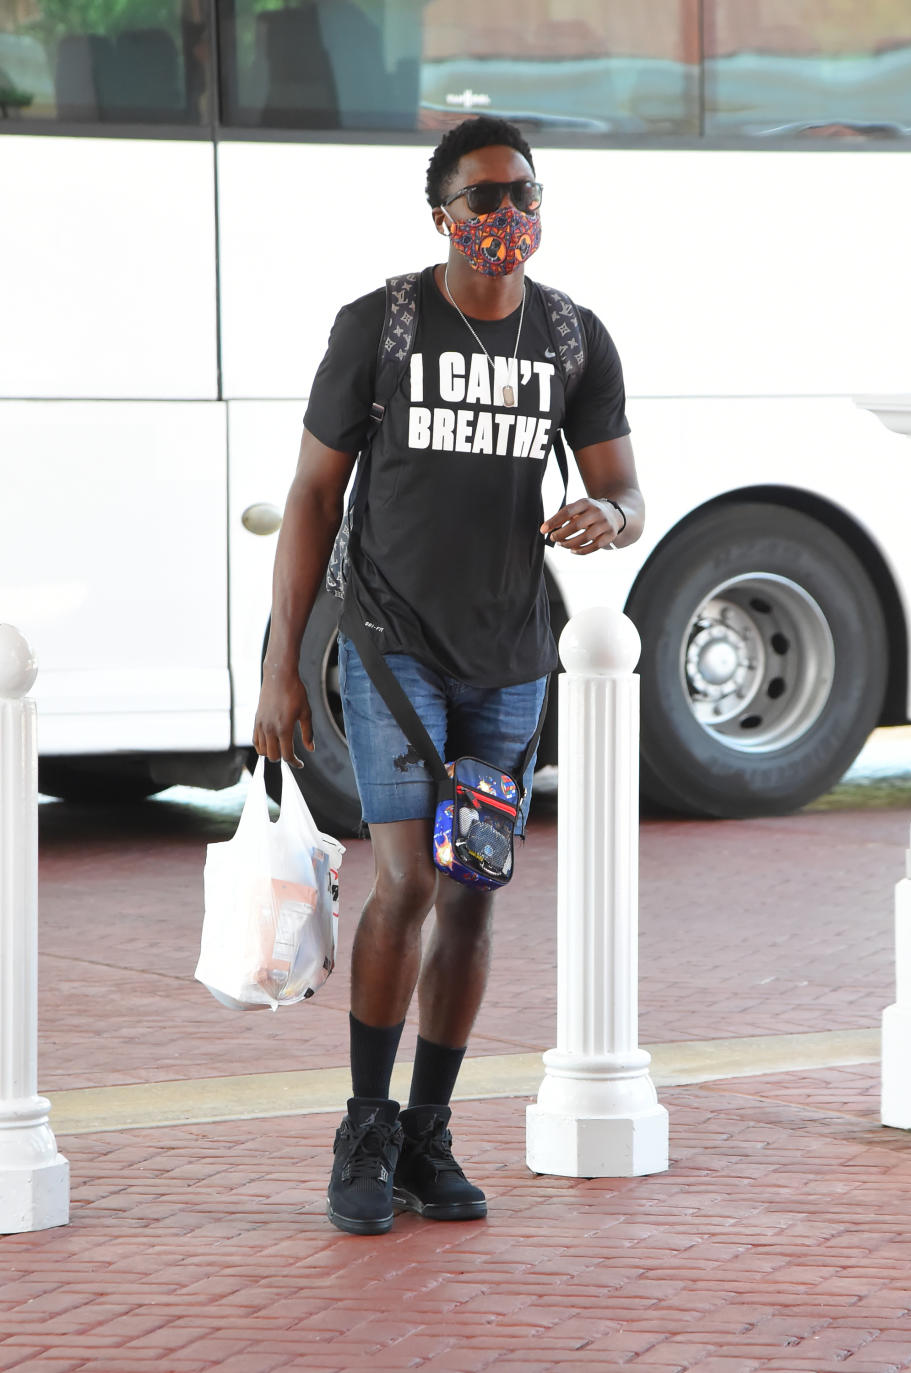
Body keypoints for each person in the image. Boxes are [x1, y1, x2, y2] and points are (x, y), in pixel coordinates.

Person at [253, 115, 644, 1235]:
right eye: (484, 200)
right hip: (390, 643)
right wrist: (285, 666)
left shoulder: (572, 338)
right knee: (409, 880)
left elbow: (629, 489)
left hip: (512, 655)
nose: (507, 217)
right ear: (441, 215)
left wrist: (604, 515)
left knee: (472, 890)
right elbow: (312, 499)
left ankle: (429, 1133)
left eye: (524, 193)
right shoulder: (377, 325)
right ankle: (366, 1125)